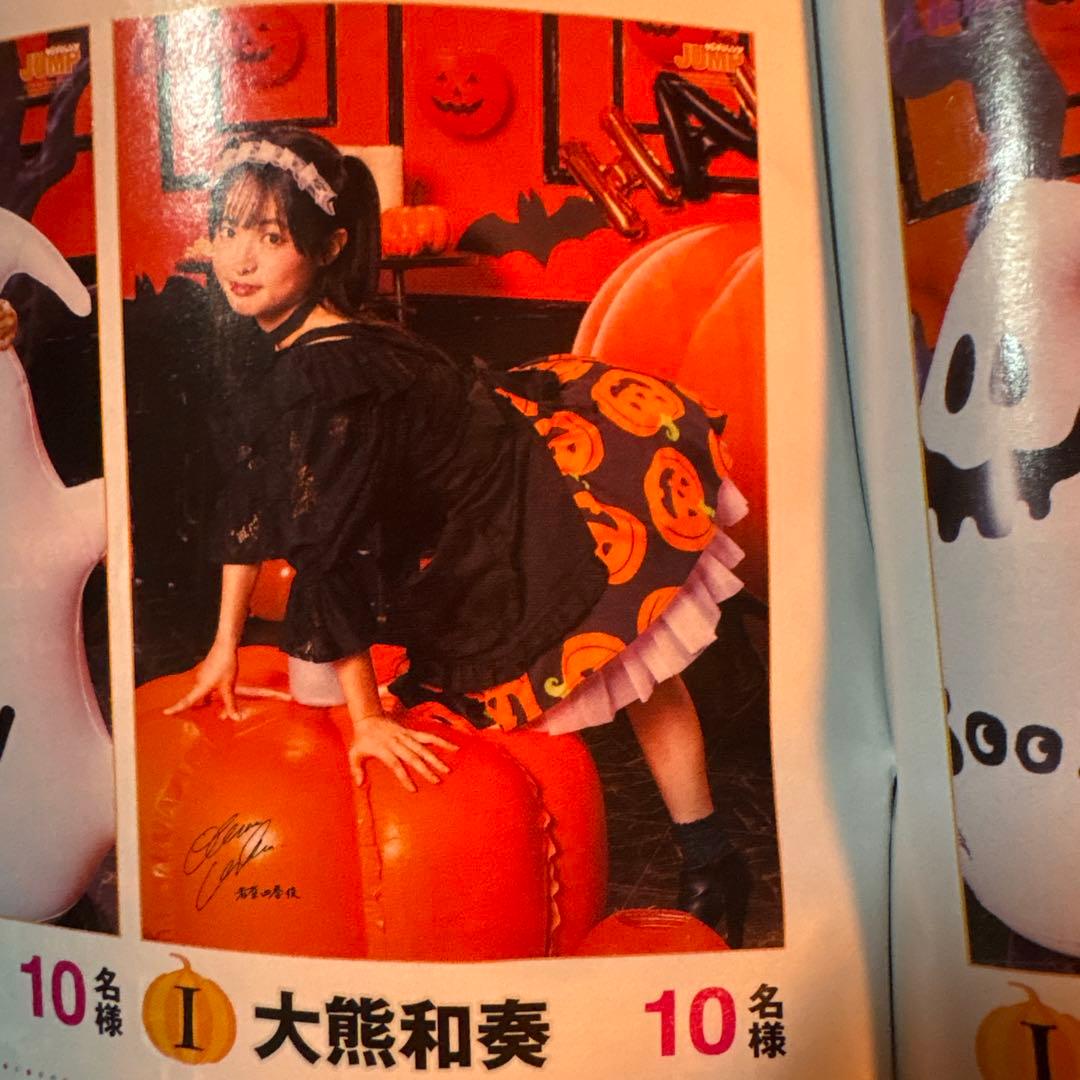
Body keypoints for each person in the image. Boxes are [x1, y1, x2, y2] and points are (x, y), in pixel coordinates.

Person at [165, 128, 753, 944]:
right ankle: (714, 860)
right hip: (486, 491)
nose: (241, 257)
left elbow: (332, 547)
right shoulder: (297, 351)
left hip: (532, 490)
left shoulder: (329, 373)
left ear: (328, 248)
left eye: (271, 237)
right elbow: (256, 499)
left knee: (633, 662)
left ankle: (709, 862)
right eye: (229, 229)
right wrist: (224, 646)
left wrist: (368, 719)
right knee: (638, 668)